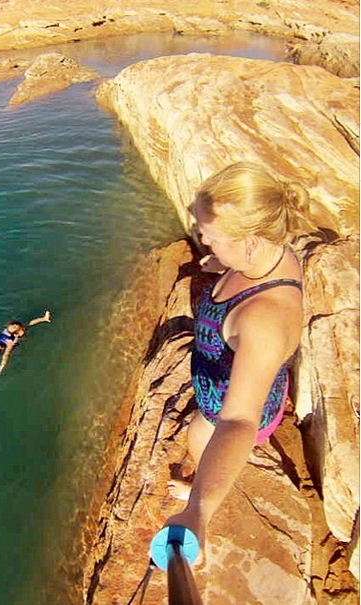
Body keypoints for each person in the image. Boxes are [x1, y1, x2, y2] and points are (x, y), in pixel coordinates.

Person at [164, 162, 313, 548]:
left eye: (210, 236)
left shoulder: (265, 317)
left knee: (204, 435)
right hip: (232, 381)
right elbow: (234, 266)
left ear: (249, 240)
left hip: (237, 409)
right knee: (201, 431)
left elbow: (238, 421)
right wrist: (221, 265)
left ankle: (202, 488)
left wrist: (199, 510)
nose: (203, 241)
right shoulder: (264, 257)